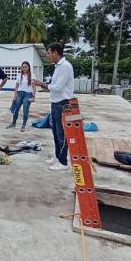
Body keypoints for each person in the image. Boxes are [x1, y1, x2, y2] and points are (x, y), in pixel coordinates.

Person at [33, 43, 75, 171]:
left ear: (56, 53)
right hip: (56, 103)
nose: (48, 56)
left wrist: (42, 84)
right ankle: (58, 157)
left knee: (61, 134)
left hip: (63, 104)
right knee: (56, 133)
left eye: (49, 53)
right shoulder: (58, 66)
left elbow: (58, 87)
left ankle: (63, 162)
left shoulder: (65, 66)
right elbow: (55, 85)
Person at [7, 61, 36, 132]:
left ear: (28, 67)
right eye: (23, 67)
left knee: (25, 111)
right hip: (19, 93)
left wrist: (33, 97)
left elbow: (34, 87)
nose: (24, 68)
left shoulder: (32, 75)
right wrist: (15, 95)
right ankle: (13, 123)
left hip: (28, 94)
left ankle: (23, 125)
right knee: (16, 109)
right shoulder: (19, 75)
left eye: (26, 67)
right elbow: (16, 86)